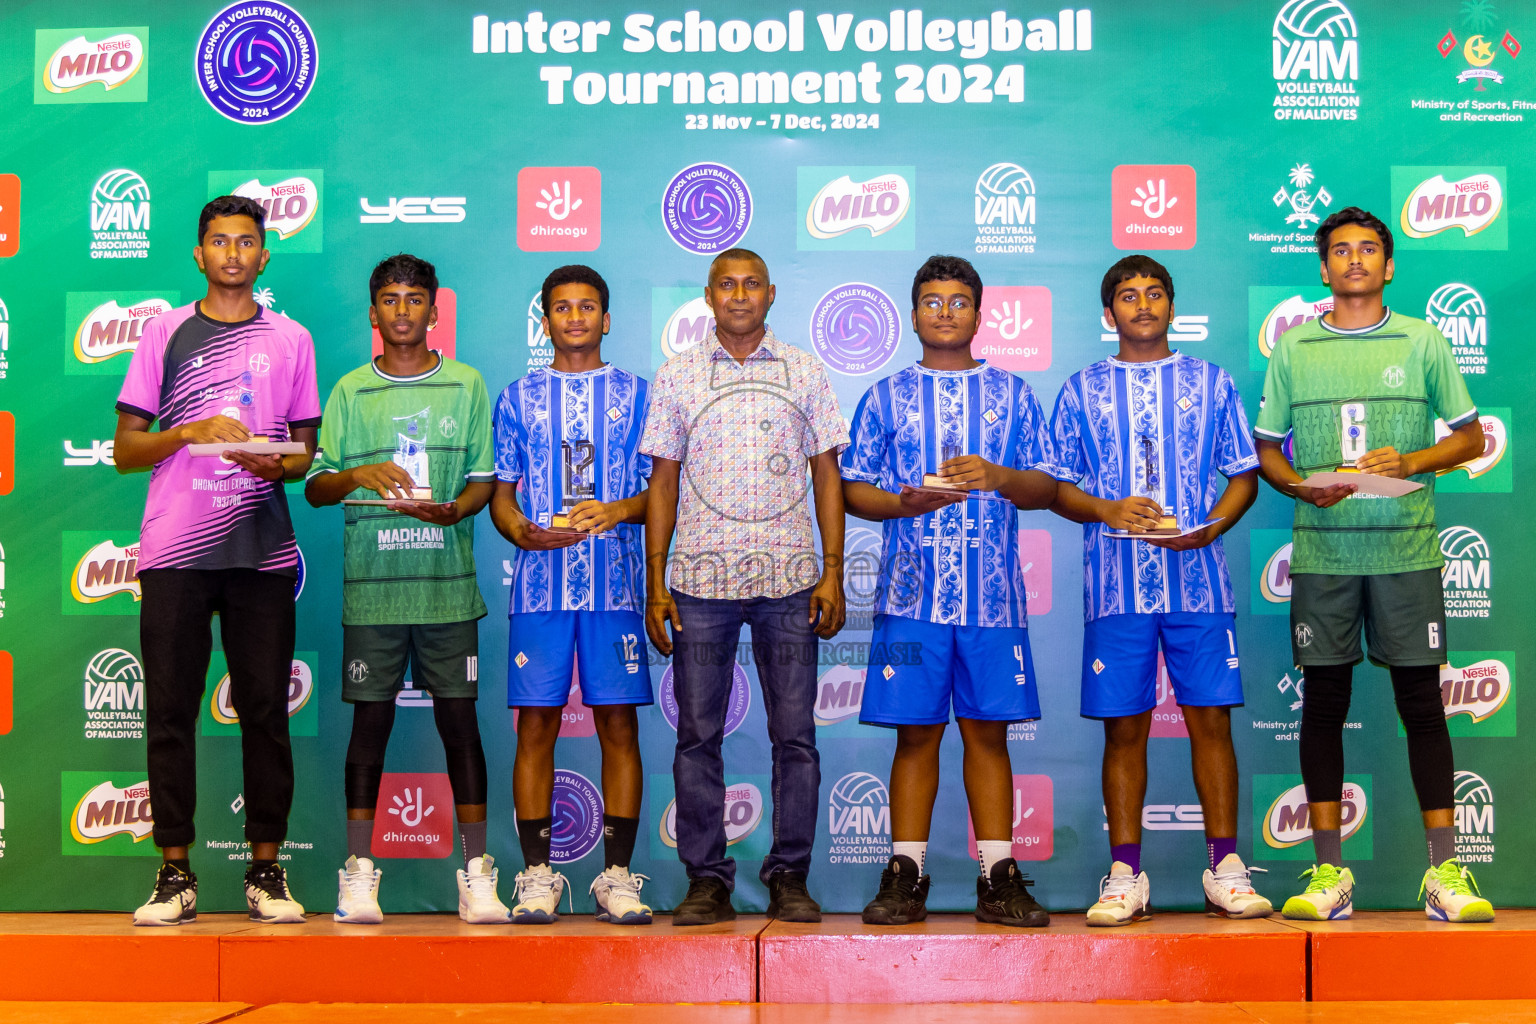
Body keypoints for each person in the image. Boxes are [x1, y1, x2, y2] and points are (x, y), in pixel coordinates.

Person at [1254, 207, 1492, 923]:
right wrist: (1296, 484)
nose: (1354, 259)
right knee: (1324, 705)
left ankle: (1444, 873)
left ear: (1388, 266)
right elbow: (1268, 448)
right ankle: (1329, 873)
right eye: (1340, 251)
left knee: (1423, 705)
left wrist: (1410, 461)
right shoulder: (1293, 348)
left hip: (1407, 548)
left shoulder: (1423, 339)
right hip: (1325, 551)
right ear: (1323, 269)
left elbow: (1473, 438)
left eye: (1368, 250)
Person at [114, 196, 319, 925]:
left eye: (246, 243)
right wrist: (190, 429)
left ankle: (267, 871)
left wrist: (276, 464)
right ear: (199, 255)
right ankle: (175, 873)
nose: (233, 253)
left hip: (260, 551)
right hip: (174, 550)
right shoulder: (163, 332)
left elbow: (304, 454)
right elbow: (125, 450)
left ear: (264, 257)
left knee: (265, 711)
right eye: (219, 242)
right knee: (169, 710)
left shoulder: (292, 339)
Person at [1047, 255, 1269, 926]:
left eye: (1155, 293)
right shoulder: (1081, 388)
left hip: (1198, 584)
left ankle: (1225, 867)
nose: (1142, 303)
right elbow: (1057, 487)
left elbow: (1243, 476)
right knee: (1124, 729)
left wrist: (1211, 529)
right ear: (1109, 314)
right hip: (1117, 588)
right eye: (1127, 295)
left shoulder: (1212, 382)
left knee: (1210, 721)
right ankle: (1124, 874)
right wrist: (1105, 509)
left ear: (1172, 306)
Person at [842, 254, 1057, 927]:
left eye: (958, 300)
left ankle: (998, 875)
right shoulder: (883, 396)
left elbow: (1046, 487)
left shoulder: (1014, 394)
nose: (945, 311)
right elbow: (852, 488)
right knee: (915, 737)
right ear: (913, 315)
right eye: (932, 301)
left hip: (993, 600)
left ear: (979, 312)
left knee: (988, 736)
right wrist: (901, 505)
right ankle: (906, 874)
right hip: (911, 598)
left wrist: (998, 474)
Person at [641, 248, 847, 925]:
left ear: (770, 293)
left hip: (789, 580)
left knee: (795, 737)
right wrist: (656, 582)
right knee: (698, 736)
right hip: (699, 581)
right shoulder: (677, 375)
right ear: (708, 295)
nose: (738, 295)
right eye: (726, 285)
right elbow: (662, 484)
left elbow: (827, 477)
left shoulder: (806, 370)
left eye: (751, 283)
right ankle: (707, 879)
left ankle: (790, 875)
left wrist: (834, 571)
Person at [305, 254, 504, 925]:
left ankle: (477, 875)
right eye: (389, 299)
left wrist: (455, 510)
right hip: (374, 592)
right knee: (370, 728)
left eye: (414, 299)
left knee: (460, 727)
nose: (401, 311)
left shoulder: (466, 384)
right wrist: (359, 475)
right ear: (373, 313)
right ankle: (359, 874)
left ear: (433, 310)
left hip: (448, 593)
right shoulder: (349, 391)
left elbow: (482, 482)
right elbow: (316, 486)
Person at [490, 265, 655, 924]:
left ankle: (616, 876)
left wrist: (618, 511)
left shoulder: (639, 395)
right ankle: (536, 875)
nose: (577, 317)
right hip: (540, 590)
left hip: (614, 588)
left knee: (619, 724)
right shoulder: (518, 397)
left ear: (606, 319)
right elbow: (501, 494)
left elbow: (660, 494)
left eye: (589, 307)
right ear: (548, 320)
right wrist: (519, 532)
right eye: (563, 308)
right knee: (537, 725)